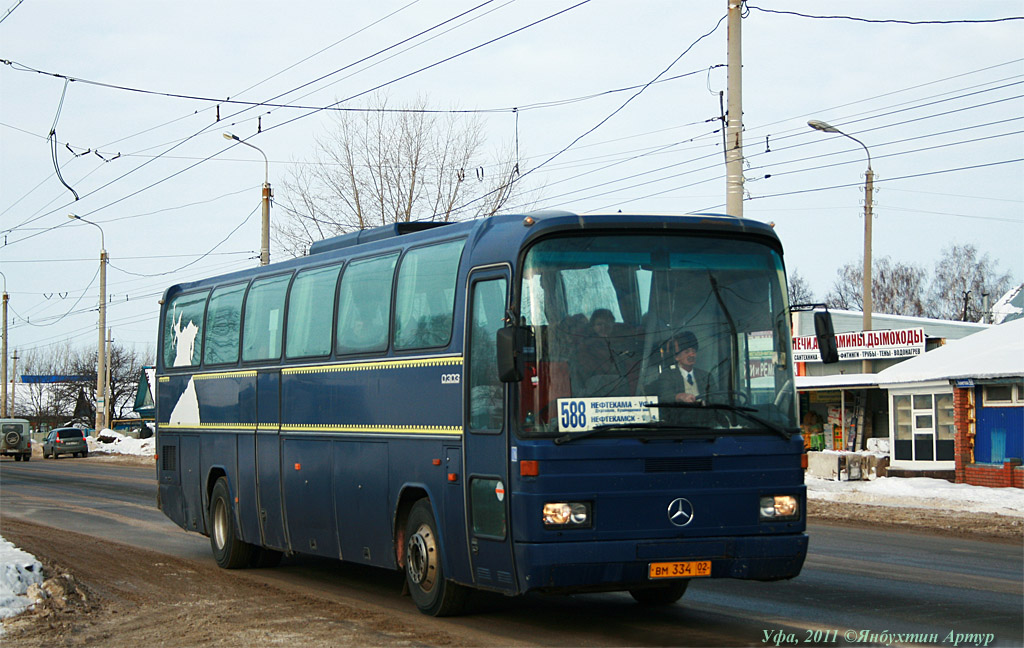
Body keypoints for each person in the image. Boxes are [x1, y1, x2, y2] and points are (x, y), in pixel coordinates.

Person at [648, 331, 711, 405]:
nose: (691, 355)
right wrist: (679, 396)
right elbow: (664, 397)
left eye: (693, 352)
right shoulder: (667, 376)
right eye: (686, 352)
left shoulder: (706, 376)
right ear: (677, 357)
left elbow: (717, 397)